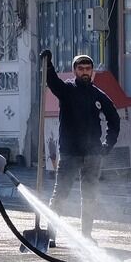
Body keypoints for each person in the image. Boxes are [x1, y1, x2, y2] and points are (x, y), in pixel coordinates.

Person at [43, 50, 120, 236]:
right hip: (70, 153)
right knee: (60, 193)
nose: (85, 72)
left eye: (88, 68)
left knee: (90, 196)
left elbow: (114, 119)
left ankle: (86, 235)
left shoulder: (98, 94)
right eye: (80, 68)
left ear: (92, 71)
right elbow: (52, 82)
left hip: (93, 154)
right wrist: (48, 64)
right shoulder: (67, 90)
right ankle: (50, 235)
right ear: (74, 71)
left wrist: (107, 145)